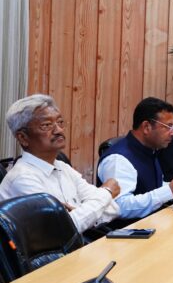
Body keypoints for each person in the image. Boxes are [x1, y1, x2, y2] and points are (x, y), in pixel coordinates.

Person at [0, 94, 120, 234]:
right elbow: (63, 231)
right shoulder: (22, 179)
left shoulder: (63, 167)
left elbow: (114, 209)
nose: (59, 130)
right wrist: (106, 192)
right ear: (23, 137)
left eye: (60, 122)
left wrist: (81, 216)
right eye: (46, 125)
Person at [97, 97, 173, 221]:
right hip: (129, 230)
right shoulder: (118, 159)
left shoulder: (149, 150)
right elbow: (120, 207)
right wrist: (168, 191)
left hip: (152, 222)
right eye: (168, 126)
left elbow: (148, 187)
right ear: (146, 127)